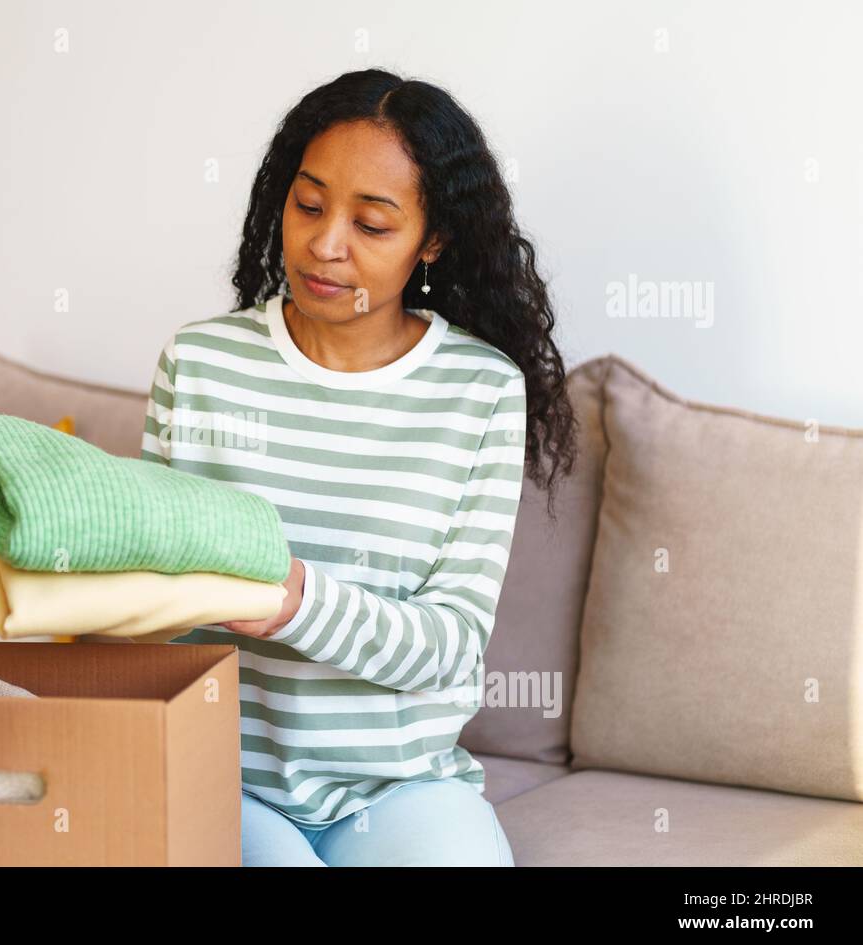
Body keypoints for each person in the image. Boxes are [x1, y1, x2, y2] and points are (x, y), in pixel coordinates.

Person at [142, 68, 578, 866]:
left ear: (432, 239)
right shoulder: (200, 362)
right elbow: (149, 608)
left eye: (372, 224)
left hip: (405, 787)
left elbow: (451, 645)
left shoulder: (478, 391)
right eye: (308, 205)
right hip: (223, 773)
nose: (325, 243)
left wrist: (296, 602)